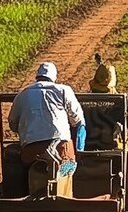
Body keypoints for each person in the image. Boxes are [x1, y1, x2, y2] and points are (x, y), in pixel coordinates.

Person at [10, 61, 87, 197]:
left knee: (21, 165)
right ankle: (66, 192)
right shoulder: (64, 91)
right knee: (69, 166)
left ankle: (22, 194)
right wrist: (79, 149)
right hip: (62, 149)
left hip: (32, 153)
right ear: (54, 77)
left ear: (37, 76)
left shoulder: (22, 95)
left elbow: (13, 124)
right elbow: (79, 122)